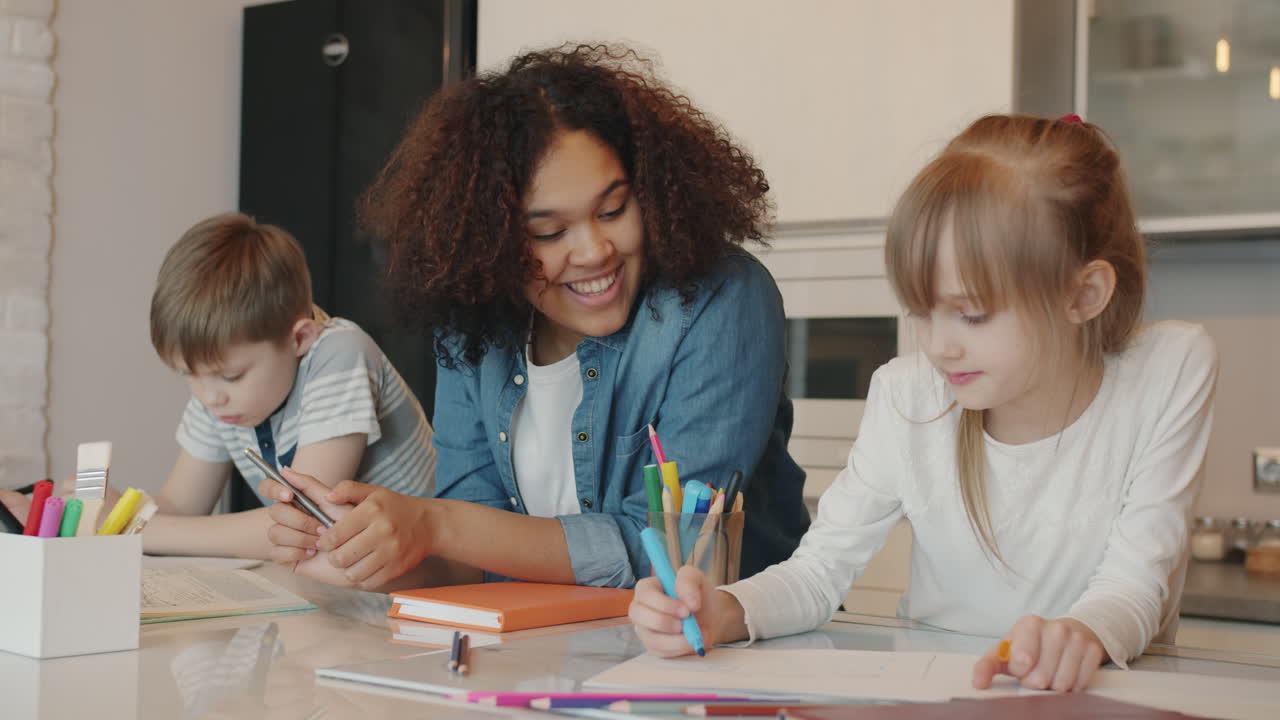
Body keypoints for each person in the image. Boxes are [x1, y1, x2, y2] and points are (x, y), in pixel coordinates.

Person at [628, 114, 1219, 693]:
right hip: (943, 694)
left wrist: (1082, 634)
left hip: (1098, 696)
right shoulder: (908, 394)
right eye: (921, 310)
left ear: (1083, 294)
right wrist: (722, 609)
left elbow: (1136, 583)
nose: (938, 345)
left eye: (972, 314)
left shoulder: (1168, 370)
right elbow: (819, 573)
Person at [259, 44, 811, 591]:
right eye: (548, 232)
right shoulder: (473, 325)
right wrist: (359, 556)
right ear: (489, 240)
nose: (594, 251)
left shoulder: (718, 300)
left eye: (613, 209)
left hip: (725, 655)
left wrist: (435, 524)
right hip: (555, 653)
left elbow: (669, 554)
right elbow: (474, 558)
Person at [0, 213, 436, 561]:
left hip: (428, 579)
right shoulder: (222, 395)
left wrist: (137, 525)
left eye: (230, 377)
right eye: (190, 375)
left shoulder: (340, 354)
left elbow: (303, 524)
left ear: (299, 338)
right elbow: (181, 505)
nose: (209, 397)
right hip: (344, 584)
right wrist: (95, 516)